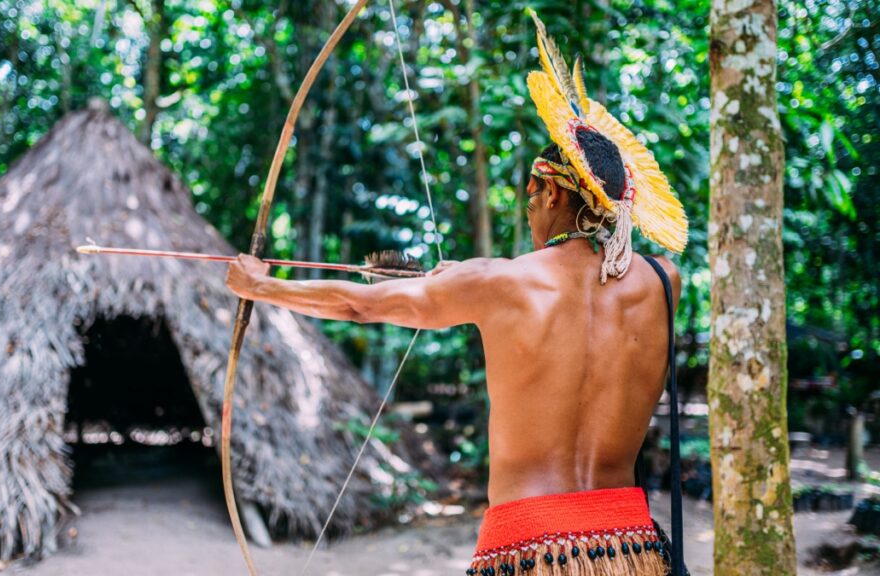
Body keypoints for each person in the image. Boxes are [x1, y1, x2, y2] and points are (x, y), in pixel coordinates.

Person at [225, 13, 687, 576]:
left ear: (546, 191)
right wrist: (469, 275)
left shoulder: (500, 282)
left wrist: (260, 285)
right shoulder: (664, 280)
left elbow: (357, 304)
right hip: (628, 548)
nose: (530, 208)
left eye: (531, 196)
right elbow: (593, 284)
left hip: (527, 550)